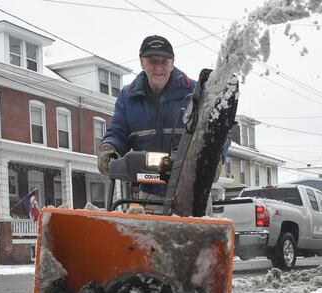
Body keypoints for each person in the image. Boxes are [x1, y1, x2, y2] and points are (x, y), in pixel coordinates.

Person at [96, 35, 227, 209]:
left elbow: (217, 133)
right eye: (152, 61)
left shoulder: (195, 94)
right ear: (142, 62)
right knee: (145, 236)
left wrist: (214, 159)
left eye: (164, 61)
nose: (158, 67)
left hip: (191, 192)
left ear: (172, 62)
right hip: (149, 193)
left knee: (195, 235)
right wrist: (109, 150)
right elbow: (118, 131)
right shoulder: (128, 97)